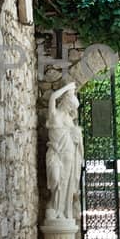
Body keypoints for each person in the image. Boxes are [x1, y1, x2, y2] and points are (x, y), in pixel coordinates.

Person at [45, 82, 83, 222]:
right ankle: (53, 206)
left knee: (65, 183)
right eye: (69, 105)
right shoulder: (54, 114)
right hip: (55, 153)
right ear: (65, 102)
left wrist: (77, 138)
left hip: (68, 153)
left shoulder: (69, 119)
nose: (70, 109)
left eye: (72, 107)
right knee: (55, 179)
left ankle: (61, 211)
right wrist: (68, 88)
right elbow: (52, 98)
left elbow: (76, 137)